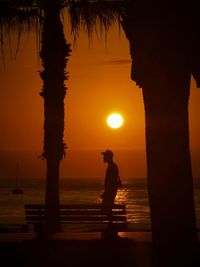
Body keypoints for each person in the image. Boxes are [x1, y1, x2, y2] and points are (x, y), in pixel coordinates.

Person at [100, 149, 121, 223]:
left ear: (109, 157)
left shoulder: (112, 167)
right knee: (106, 209)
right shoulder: (111, 166)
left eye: (105, 156)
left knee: (106, 209)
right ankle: (111, 225)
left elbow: (111, 182)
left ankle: (111, 226)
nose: (103, 157)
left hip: (110, 192)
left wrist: (106, 193)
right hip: (110, 192)